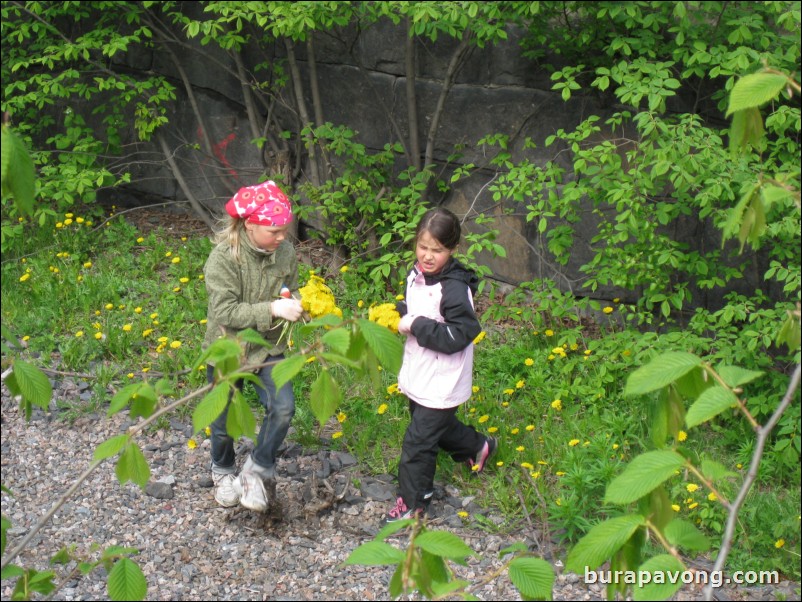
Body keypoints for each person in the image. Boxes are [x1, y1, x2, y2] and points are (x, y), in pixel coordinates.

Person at [386, 207, 497, 523]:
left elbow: (461, 334)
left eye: (438, 250)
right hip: (421, 370)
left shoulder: (454, 287)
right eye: (423, 247)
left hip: (443, 377)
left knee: (418, 444)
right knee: (438, 428)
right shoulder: (416, 273)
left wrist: (415, 324)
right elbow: (418, 307)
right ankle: (480, 445)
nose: (428, 256)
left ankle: (413, 504)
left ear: (452, 249)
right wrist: (396, 311)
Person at [203, 181, 305, 513]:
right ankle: (223, 469)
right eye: (274, 231)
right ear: (250, 224)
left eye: (284, 231)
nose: (281, 238)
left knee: (284, 407)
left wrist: (297, 303)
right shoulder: (224, 258)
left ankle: (257, 468)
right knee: (223, 418)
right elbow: (224, 312)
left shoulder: (285, 253)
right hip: (229, 349)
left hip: (268, 348)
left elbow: (290, 288)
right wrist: (272, 309)